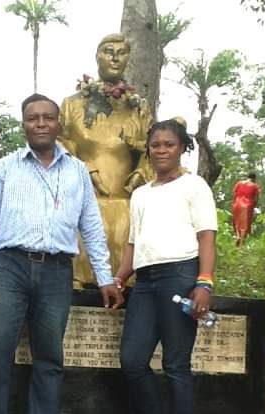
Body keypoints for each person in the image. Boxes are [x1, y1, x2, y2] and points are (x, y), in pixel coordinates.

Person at [0, 93, 123, 414]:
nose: (40, 124)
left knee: (49, 356)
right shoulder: (5, 168)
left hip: (56, 270)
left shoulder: (78, 171)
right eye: (33, 118)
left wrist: (105, 277)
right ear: (24, 125)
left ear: (58, 124)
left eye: (47, 117)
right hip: (10, 267)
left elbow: (92, 228)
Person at [115, 119, 218, 414]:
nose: (161, 150)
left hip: (180, 275)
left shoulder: (195, 186)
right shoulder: (141, 193)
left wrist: (204, 282)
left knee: (176, 365)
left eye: (169, 144)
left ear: (182, 147)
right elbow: (133, 244)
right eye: (155, 144)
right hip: (144, 282)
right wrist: (118, 280)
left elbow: (206, 236)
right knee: (132, 359)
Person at [59, 33, 153, 285]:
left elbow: (153, 150)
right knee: (79, 273)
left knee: (125, 274)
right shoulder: (72, 105)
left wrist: (140, 174)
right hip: (83, 201)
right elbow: (60, 143)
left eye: (121, 52)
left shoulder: (139, 107)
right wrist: (83, 168)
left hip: (124, 201)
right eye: (108, 51)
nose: (114, 57)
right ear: (96, 56)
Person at [232, 172, 260, 245]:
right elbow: (256, 199)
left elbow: (234, 194)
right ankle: (241, 244)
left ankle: (238, 236)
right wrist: (253, 206)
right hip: (247, 206)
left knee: (237, 222)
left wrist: (235, 203)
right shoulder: (255, 186)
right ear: (254, 179)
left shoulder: (239, 183)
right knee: (245, 225)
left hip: (237, 204)